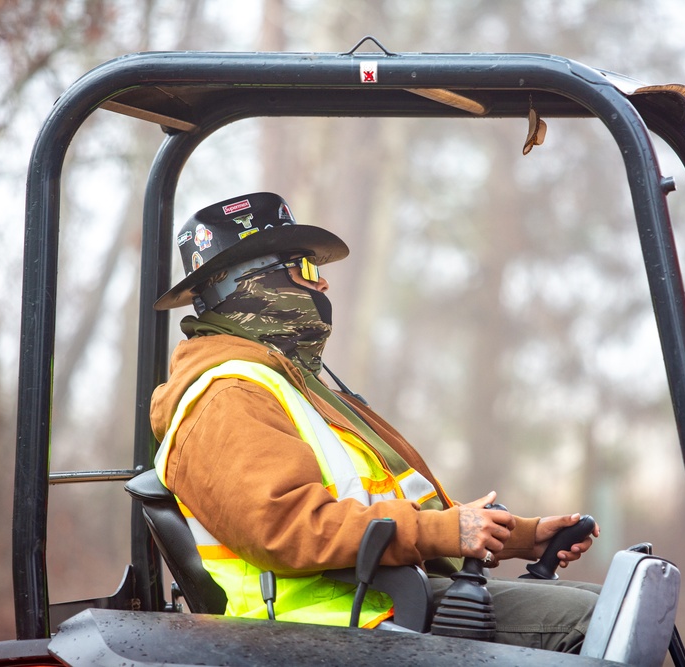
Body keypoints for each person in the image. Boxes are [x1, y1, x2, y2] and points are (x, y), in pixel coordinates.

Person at [150, 192, 602, 653]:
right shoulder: (230, 396)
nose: (322, 286)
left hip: (382, 595)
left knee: (606, 603)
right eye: (305, 270)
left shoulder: (292, 385)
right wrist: (446, 532)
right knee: (593, 620)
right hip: (330, 624)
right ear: (249, 285)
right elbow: (285, 529)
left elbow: (385, 502)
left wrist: (519, 537)